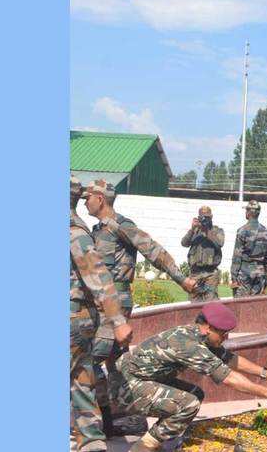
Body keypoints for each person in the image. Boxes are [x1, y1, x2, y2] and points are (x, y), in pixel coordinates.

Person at [83, 179, 198, 436]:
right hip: (101, 303)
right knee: (117, 363)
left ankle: (98, 423)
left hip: (114, 305)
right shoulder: (97, 229)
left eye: (87, 197)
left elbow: (154, 251)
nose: (85, 201)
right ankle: (126, 417)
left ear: (100, 199)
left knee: (92, 361)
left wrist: (182, 279)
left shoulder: (120, 226)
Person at [113, 302, 267, 452]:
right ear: (207, 328)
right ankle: (144, 447)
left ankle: (160, 437)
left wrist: (266, 374)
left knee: (195, 393)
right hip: (126, 388)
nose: (226, 337)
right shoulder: (188, 344)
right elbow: (228, 378)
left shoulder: (199, 335)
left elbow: (229, 359)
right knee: (189, 403)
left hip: (144, 380)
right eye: (223, 333)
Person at [70, 175, 133, 451]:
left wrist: (118, 320)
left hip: (82, 313)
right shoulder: (86, 229)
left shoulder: (77, 231)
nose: (87, 201)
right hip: (85, 314)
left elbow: (97, 273)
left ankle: (98, 432)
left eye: (90, 198)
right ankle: (94, 437)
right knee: (83, 376)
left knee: (88, 370)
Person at [181, 205, 225, 302]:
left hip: (210, 274)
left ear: (211, 217)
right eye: (202, 217)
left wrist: (206, 231)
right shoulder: (195, 231)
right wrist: (192, 229)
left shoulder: (217, 230)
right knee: (194, 303)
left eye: (207, 217)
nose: (205, 219)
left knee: (211, 303)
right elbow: (184, 243)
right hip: (195, 273)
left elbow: (220, 243)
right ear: (199, 217)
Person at [230, 200, 267, 298]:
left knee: (240, 306)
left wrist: (234, 277)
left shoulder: (242, 231)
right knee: (256, 307)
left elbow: (237, 256)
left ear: (249, 213)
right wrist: (265, 277)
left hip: (244, 272)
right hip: (260, 273)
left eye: (246, 210)